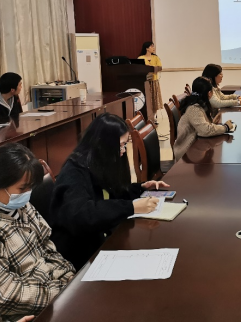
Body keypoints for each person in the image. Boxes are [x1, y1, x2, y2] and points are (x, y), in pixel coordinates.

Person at [50, 113, 169, 270]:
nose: (123, 151)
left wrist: (141, 188)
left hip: (101, 239)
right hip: (80, 252)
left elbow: (113, 192)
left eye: (125, 145)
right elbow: (83, 214)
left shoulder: (99, 162)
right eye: (121, 145)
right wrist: (131, 207)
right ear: (103, 144)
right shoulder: (74, 170)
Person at [0, 143, 75, 322]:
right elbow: (4, 296)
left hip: (51, 293)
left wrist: (68, 277)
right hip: (18, 314)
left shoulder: (16, 205)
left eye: (30, 188)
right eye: (22, 189)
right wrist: (61, 291)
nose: (27, 194)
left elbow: (46, 245)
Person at [174, 77, 235, 161]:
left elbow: (203, 126)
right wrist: (226, 127)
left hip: (195, 146)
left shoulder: (199, 104)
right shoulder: (194, 108)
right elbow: (205, 130)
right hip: (186, 152)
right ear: (209, 93)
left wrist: (215, 123)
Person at [138, 42, 164, 115]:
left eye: (153, 46)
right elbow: (139, 69)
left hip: (154, 82)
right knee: (147, 100)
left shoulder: (156, 57)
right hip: (145, 82)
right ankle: (146, 116)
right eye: (151, 46)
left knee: (154, 101)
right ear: (147, 48)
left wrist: (152, 67)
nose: (153, 48)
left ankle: (153, 117)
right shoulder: (141, 58)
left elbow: (159, 67)